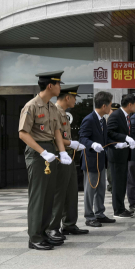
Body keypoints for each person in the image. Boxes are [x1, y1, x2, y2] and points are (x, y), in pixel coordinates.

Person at [18, 71, 72, 250]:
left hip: (51, 149)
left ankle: (43, 233)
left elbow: (57, 130)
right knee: (39, 196)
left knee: (49, 195)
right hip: (37, 152)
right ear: (50, 86)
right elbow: (23, 133)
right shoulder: (31, 106)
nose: (60, 88)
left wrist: (62, 152)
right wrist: (42, 152)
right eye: (59, 85)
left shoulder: (52, 108)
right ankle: (34, 237)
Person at [50, 85, 89, 238]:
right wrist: (70, 144)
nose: (75, 101)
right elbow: (53, 137)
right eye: (74, 97)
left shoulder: (63, 113)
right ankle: (53, 227)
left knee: (71, 192)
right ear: (67, 97)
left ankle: (69, 224)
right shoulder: (54, 112)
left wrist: (73, 144)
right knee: (59, 194)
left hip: (68, 157)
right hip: (59, 157)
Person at [80, 91, 120, 228]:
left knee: (101, 188)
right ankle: (89, 216)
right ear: (104, 106)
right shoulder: (89, 119)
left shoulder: (102, 119)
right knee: (90, 190)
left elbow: (105, 139)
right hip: (91, 160)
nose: (111, 108)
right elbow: (82, 138)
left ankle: (99, 213)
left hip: (101, 160)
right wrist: (92, 144)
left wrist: (116, 144)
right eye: (109, 105)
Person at [106, 93, 135, 219]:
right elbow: (109, 132)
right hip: (116, 155)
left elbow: (127, 131)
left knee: (122, 183)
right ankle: (117, 210)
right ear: (130, 105)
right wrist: (123, 138)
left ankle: (121, 207)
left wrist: (133, 140)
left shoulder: (126, 116)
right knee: (117, 184)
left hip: (124, 154)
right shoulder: (116, 115)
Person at [106, 103, 120, 193]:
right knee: (110, 167)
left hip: (121, 147)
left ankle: (118, 184)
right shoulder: (107, 120)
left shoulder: (121, 120)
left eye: (116, 110)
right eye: (112, 110)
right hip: (110, 146)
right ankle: (111, 185)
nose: (114, 112)